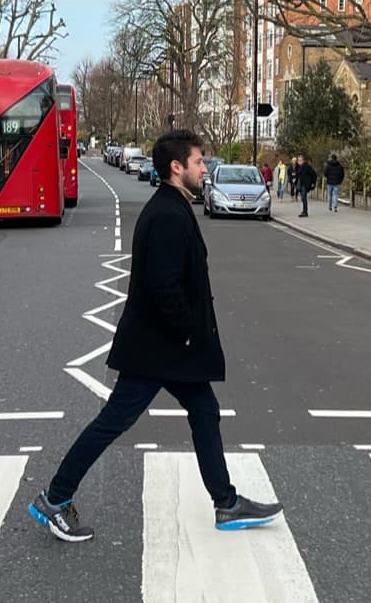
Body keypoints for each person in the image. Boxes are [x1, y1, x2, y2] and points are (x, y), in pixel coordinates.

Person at [28, 129, 283, 542]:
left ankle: (226, 501)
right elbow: (164, 288)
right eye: (199, 162)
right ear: (176, 167)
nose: (205, 169)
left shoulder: (172, 207)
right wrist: (190, 336)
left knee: (204, 411)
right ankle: (55, 498)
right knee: (114, 422)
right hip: (159, 348)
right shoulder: (166, 215)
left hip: (165, 347)